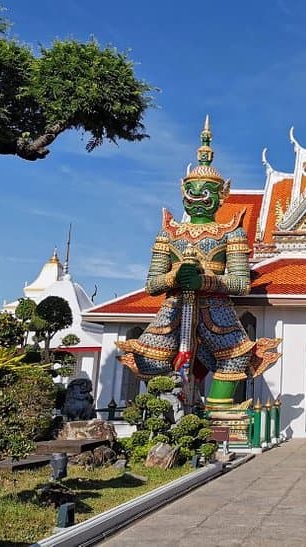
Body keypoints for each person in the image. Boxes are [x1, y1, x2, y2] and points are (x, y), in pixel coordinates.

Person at [116, 117, 280, 408]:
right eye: (191, 192)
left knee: (237, 356)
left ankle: (219, 413)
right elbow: (152, 284)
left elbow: (241, 284)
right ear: (182, 193)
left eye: (206, 193)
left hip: (216, 309)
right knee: (149, 358)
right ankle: (165, 409)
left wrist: (205, 281)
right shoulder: (169, 233)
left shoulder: (231, 232)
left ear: (222, 196)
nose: (197, 198)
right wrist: (174, 277)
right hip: (175, 306)